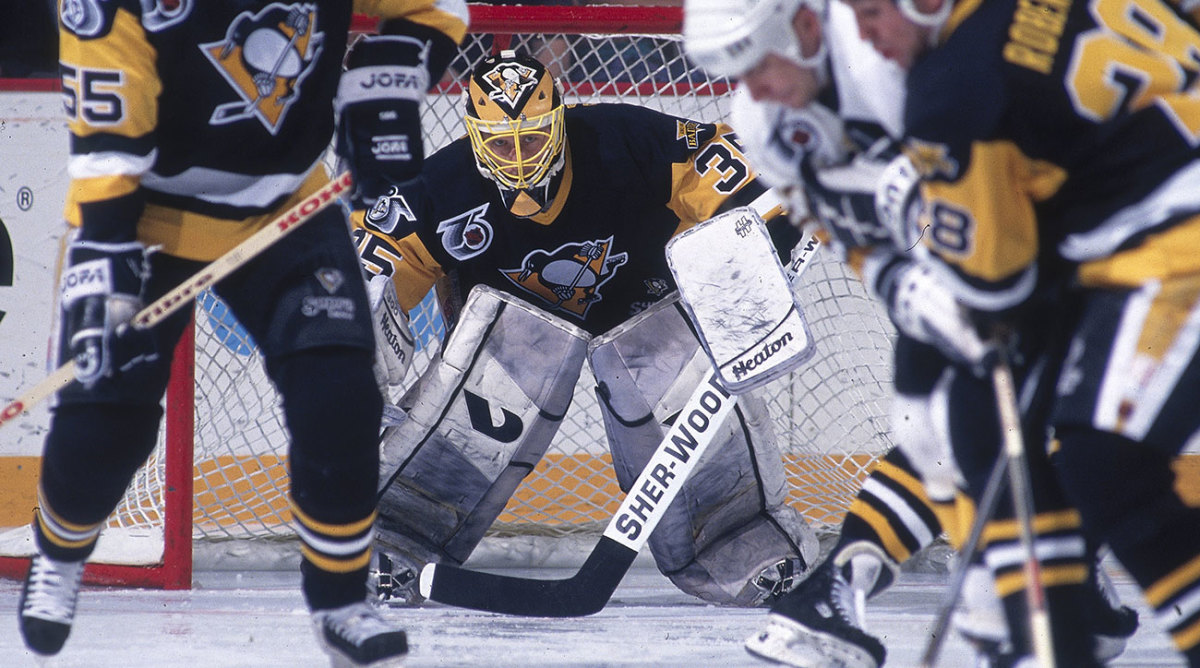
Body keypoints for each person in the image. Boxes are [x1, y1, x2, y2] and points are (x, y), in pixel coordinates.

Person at [683, 0, 1138, 665]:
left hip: (1073, 222)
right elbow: (839, 224)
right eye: (738, 73)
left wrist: (984, 275)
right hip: (970, 237)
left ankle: (1044, 584)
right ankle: (869, 596)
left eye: (761, 64)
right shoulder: (763, 121)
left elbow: (993, 153)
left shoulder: (885, 56)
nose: (754, 89)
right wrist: (905, 284)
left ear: (802, 29)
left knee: (1044, 424)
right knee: (936, 422)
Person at [18, 2, 467, 666]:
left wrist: (393, 74)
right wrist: (105, 256)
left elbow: (437, 7)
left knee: (339, 396)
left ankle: (341, 600)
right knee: (104, 416)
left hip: (286, 204)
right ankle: (58, 556)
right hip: (144, 212)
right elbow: (110, 137)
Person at [353, 49, 823, 611]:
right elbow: (367, 274)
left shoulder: (619, 138)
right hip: (509, 343)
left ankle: (740, 543)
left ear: (559, 120)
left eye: (533, 139)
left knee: (668, 375)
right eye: (502, 145)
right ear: (475, 139)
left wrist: (769, 222)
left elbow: (721, 164)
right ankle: (395, 537)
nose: (520, 159)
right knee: (488, 391)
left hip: (649, 319)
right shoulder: (438, 190)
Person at [832, 0, 1200, 664]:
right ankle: (1053, 641)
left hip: (1173, 239)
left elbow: (996, 284)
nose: (864, 35)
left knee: (1101, 465)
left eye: (874, 13)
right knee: (1085, 461)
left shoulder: (955, 84)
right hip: (1152, 224)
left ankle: (1045, 638)